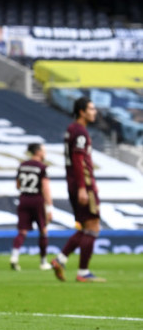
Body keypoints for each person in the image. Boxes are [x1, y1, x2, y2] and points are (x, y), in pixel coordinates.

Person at [50, 97, 105, 282]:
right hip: (84, 185)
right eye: (91, 108)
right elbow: (78, 160)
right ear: (82, 111)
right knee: (93, 226)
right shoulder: (80, 132)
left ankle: (60, 259)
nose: (94, 112)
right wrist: (83, 188)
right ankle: (83, 273)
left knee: (84, 227)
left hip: (73, 183)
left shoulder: (71, 129)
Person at [10, 143, 53, 271]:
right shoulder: (42, 167)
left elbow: (17, 185)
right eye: (44, 150)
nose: (45, 153)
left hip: (23, 199)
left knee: (22, 231)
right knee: (43, 230)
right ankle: (43, 262)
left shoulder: (22, 165)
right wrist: (49, 208)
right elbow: (45, 188)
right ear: (38, 152)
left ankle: (14, 257)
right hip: (37, 200)